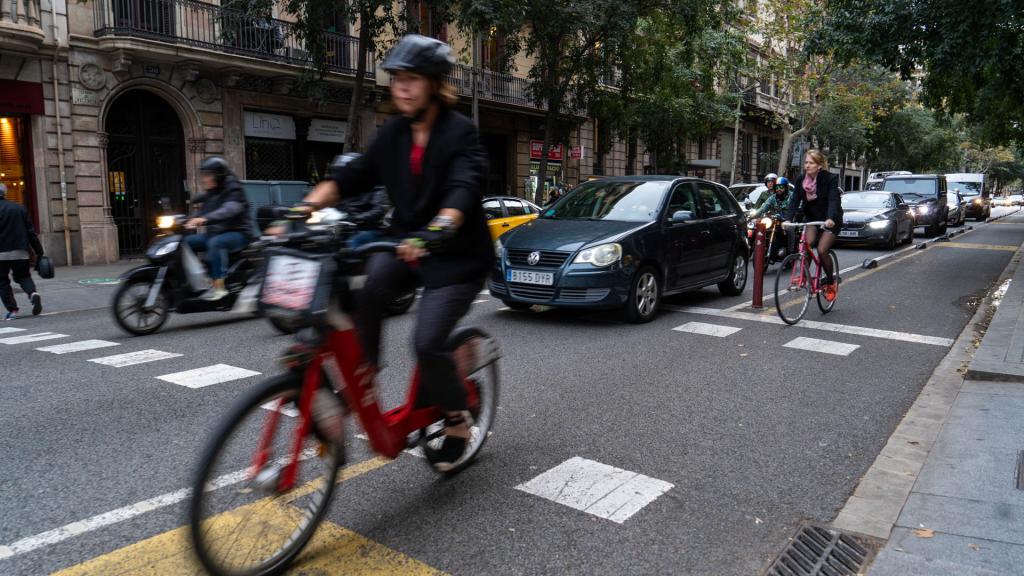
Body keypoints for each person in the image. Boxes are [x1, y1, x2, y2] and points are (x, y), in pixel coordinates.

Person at [296, 34, 492, 470]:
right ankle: (364, 373)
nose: (402, 87)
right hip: (405, 244)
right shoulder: (394, 134)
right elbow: (353, 178)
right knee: (368, 290)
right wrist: (302, 208)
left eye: (413, 79)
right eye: (397, 78)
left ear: (435, 84)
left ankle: (457, 417)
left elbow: (463, 189)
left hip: (456, 256)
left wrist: (439, 228)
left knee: (426, 342)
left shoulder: (460, 132)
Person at [185, 157, 253, 301]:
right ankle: (195, 279)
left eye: (208, 175)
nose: (204, 179)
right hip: (217, 232)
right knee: (185, 242)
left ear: (219, 175)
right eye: (204, 175)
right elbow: (204, 211)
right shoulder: (213, 191)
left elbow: (229, 209)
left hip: (239, 233)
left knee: (215, 243)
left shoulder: (234, 188)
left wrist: (204, 219)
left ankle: (219, 287)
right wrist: (187, 220)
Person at [786, 149, 843, 300]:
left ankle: (830, 283)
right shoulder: (801, 179)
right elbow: (795, 200)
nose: (807, 165)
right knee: (807, 244)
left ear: (819, 165)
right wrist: (788, 219)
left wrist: (830, 218)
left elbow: (833, 200)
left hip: (831, 219)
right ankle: (804, 277)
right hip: (812, 217)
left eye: (811, 163)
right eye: (806, 162)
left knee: (822, 250)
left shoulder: (830, 178)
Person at [0, 183, 44, 320]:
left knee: (2, 281)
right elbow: (31, 233)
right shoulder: (19, 208)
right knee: (23, 276)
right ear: (5, 193)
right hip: (20, 251)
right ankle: (32, 294)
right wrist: (39, 251)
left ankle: (13, 310)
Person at [332, 153, 392, 248]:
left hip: (368, 228)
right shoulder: (346, 188)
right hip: (345, 227)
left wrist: (357, 218)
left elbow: (379, 209)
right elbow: (337, 204)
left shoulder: (376, 186)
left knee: (352, 242)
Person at [755, 177, 794, 260]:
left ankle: (790, 251)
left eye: (781, 187)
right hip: (776, 220)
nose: (779, 189)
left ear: (786, 188)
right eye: (777, 187)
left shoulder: (792, 196)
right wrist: (754, 216)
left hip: (788, 220)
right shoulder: (772, 197)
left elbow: (798, 205)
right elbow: (763, 207)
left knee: (789, 229)